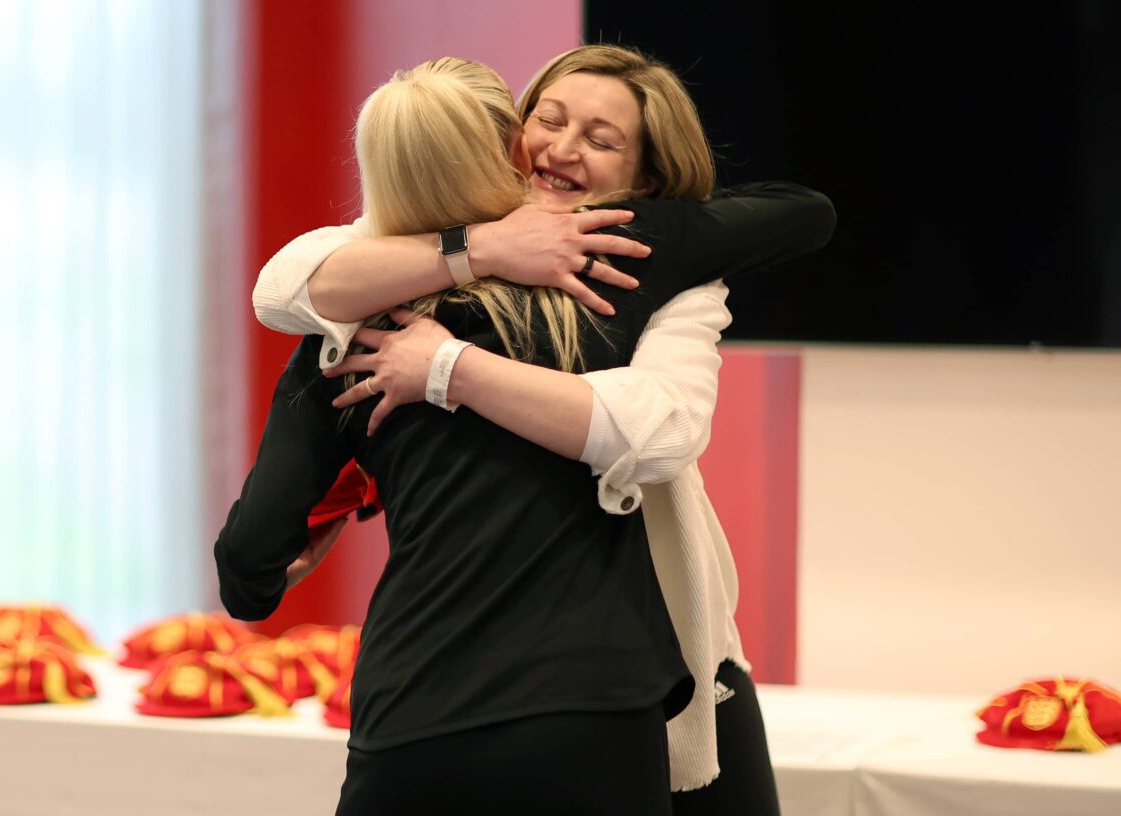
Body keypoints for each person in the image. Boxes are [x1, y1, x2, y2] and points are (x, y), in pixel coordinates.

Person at [217, 54, 832, 814]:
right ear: (509, 129)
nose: (563, 148)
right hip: (593, 696)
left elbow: (655, 432)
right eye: (549, 119)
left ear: (641, 182)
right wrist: (478, 249)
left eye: (601, 139)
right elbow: (282, 286)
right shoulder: (381, 270)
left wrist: (446, 367)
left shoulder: (634, 254)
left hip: (645, 651)